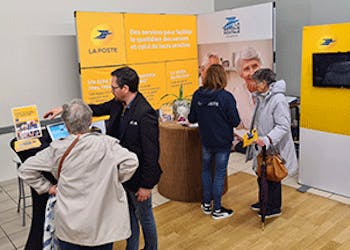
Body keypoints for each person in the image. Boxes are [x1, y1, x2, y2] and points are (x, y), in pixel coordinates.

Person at [44, 66, 162, 250]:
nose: (111, 90)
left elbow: (152, 153)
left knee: (145, 218)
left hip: (139, 178)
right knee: (128, 217)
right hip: (121, 175)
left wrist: (146, 185)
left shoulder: (145, 113)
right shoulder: (117, 104)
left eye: (114, 87)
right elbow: (95, 108)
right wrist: (65, 109)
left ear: (125, 89)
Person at [18, 99, 139, 249]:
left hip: (70, 227)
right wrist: (114, 178)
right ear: (90, 122)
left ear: (66, 126)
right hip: (102, 228)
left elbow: (25, 169)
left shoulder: (56, 149)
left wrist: (47, 187)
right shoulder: (107, 144)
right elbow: (132, 161)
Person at [188, 64, 241, 220]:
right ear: (222, 78)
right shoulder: (226, 97)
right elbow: (235, 121)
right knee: (219, 174)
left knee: (205, 171)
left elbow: (192, 118)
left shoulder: (198, 95)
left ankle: (206, 204)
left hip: (206, 141)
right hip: (222, 142)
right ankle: (217, 209)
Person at [246, 68, 298, 219]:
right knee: (261, 175)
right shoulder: (262, 97)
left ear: (264, 82)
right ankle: (263, 202)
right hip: (262, 145)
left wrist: (268, 139)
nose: (255, 85)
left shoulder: (278, 99)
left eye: (256, 82)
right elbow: (259, 119)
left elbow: (283, 126)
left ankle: (274, 207)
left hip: (273, 146)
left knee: (272, 177)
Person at [232, 47, 263, 153]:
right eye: (246, 69)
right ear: (241, 74)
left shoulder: (272, 93)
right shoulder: (237, 94)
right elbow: (238, 127)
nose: (252, 72)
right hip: (249, 150)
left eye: (255, 66)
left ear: (261, 67)